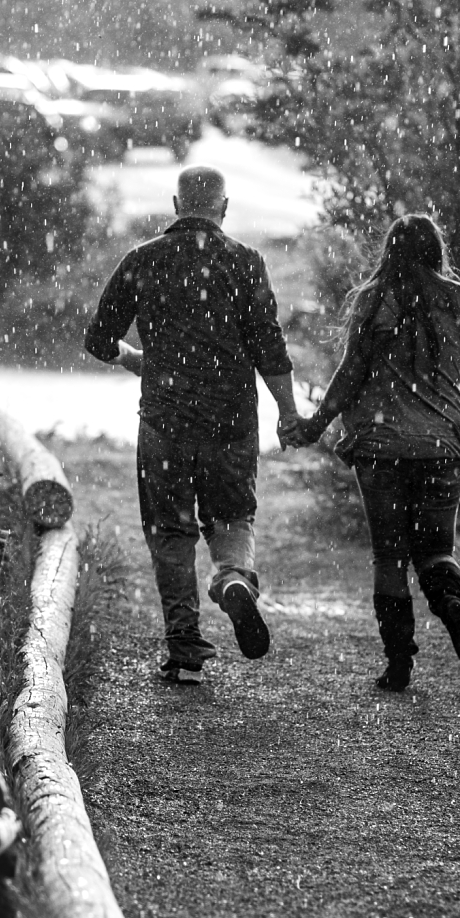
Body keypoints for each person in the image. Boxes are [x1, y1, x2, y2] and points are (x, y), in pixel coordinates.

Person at [85, 165, 302, 685]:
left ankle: (184, 648)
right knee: (232, 518)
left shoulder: (142, 260)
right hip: (231, 421)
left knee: (170, 530)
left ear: (176, 204)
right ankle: (232, 579)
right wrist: (289, 413)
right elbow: (269, 347)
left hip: (165, 421)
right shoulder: (245, 261)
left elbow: (97, 340)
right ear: (223, 209)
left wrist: (139, 359)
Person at [287, 214, 460, 691]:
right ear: (437, 252)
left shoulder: (373, 302)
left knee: (390, 557)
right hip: (443, 445)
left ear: (390, 251)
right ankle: (449, 599)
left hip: (380, 449)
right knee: (436, 549)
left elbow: (350, 375)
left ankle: (399, 663)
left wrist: (315, 423)